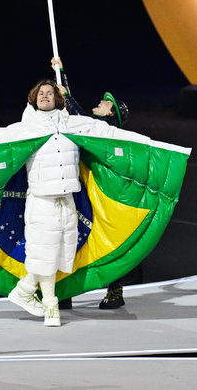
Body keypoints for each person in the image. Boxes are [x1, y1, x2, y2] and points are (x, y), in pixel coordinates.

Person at [0, 79, 166, 326]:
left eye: (50, 93)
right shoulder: (27, 128)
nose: (45, 96)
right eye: (40, 93)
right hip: (42, 201)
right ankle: (51, 305)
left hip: (67, 200)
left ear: (57, 98)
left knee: (61, 252)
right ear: (33, 98)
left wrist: (149, 144)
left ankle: (24, 291)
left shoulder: (73, 124)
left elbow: (110, 133)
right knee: (45, 253)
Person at [52, 58, 134, 310]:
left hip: (100, 192)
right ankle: (65, 291)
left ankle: (115, 290)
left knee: (103, 238)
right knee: (71, 236)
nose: (101, 101)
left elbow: (83, 120)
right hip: (81, 187)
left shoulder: (107, 129)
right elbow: (77, 117)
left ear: (111, 114)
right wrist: (60, 72)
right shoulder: (94, 125)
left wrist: (67, 96)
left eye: (106, 103)